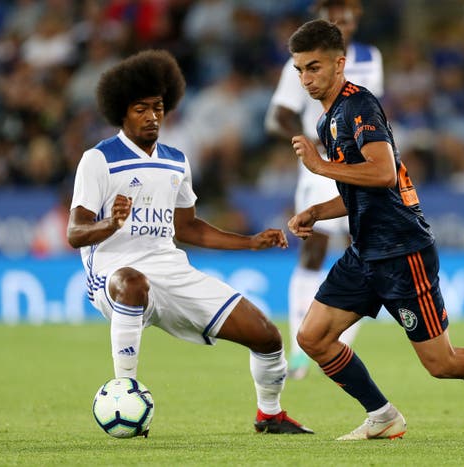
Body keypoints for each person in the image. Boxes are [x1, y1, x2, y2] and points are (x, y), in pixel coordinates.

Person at [286, 19, 464, 440]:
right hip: (365, 251)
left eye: (314, 67)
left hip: (401, 253)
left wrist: (319, 166)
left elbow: (383, 173)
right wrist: (317, 210)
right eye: (299, 69)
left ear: (339, 64)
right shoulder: (327, 120)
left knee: (441, 364)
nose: (306, 78)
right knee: (313, 337)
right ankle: (383, 415)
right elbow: (360, 191)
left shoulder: (360, 106)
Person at [66, 49, 312, 436]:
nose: (152, 117)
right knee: (132, 281)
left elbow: (189, 229)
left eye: (158, 108)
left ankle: (270, 415)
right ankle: (126, 389)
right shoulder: (98, 160)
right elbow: (75, 233)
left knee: (266, 335)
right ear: (121, 112)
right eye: (140, 109)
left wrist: (249, 243)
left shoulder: (176, 160)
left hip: (170, 269)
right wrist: (109, 225)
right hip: (113, 274)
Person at [265, 0, 383, 380]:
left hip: (358, 162)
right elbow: (278, 115)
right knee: (313, 249)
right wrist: (306, 142)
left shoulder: (370, 57)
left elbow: (371, 108)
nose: (343, 24)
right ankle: (300, 350)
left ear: (356, 18)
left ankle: (342, 338)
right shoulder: (300, 64)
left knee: (362, 246)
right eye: (335, 19)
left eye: (347, 18)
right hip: (319, 166)